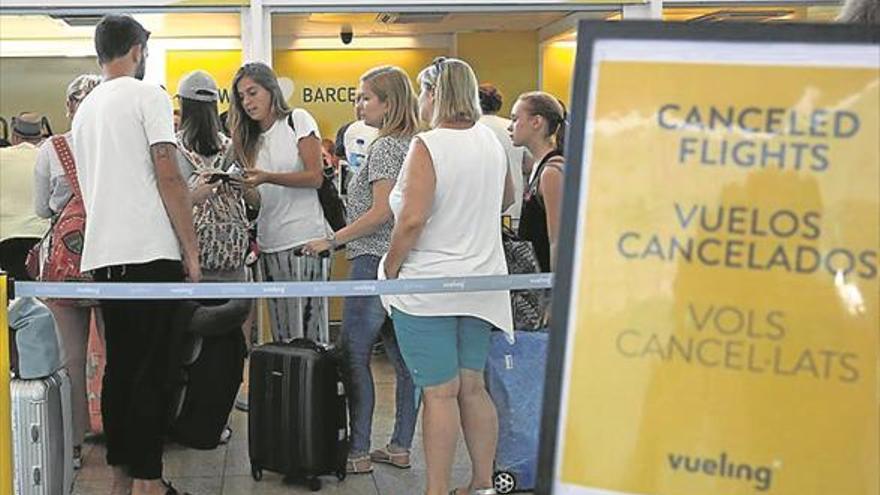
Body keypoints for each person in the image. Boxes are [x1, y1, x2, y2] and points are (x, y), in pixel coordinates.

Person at [72, 14, 200, 495]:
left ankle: (122, 479)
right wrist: (190, 250)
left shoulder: (85, 109)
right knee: (156, 371)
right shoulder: (148, 95)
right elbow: (167, 173)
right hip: (150, 252)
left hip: (105, 255)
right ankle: (148, 481)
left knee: (121, 369)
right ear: (138, 51)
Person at [380, 57, 514, 495]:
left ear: (434, 94)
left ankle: (435, 491)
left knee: (439, 393)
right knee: (472, 388)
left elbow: (412, 219)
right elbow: (507, 197)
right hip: (482, 282)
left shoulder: (429, 144)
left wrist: (393, 268)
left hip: (429, 286)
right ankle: (481, 484)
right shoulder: (491, 141)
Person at [303, 66, 419, 475]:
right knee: (405, 362)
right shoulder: (415, 145)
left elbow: (381, 211)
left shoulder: (387, 148)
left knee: (354, 355)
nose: (358, 104)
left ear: (389, 103)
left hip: (372, 260)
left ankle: (358, 450)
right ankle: (401, 445)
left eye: (366, 97)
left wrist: (333, 239)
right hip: (404, 263)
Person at [32, 73, 103, 469]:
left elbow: (42, 209)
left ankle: (74, 443)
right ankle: (117, 431)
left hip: (66, 265)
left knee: (71, 355)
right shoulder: (116, 145)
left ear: (69, 106)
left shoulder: (52, 148)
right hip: (112, 260)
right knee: (117, 352)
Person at [229, 62, 328, 342]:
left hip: (305, 240)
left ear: (271, 89)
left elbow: (314, 176)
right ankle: (290, 386)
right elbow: (257, 199)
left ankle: (316, 387)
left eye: (252, 92)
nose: (247, 102)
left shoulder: (298, 119)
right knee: (282, 334)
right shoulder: (248, 139)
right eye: (241, 96)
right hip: (269, 243)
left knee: (310, 334)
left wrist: (267, 177)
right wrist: (242, 185)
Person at [509, 92, 566, 273]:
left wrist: (556, 287)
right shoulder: (537, 167)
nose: (510, 127)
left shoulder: (551, 172)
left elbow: (557, 239)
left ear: (536, 122)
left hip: (546, 281)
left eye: (515, 119)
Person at [0, 112, 50, 280]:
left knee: (7, 298)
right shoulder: (47, 156)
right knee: (39, 297)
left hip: (5, 237)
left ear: (14, 136)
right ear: (40, 137)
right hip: (41, 239)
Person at [478, 84, 531, 228]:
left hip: (479, 215)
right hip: (513, 211)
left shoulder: (471, 130)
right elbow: (528, 166)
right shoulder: (514, 128)